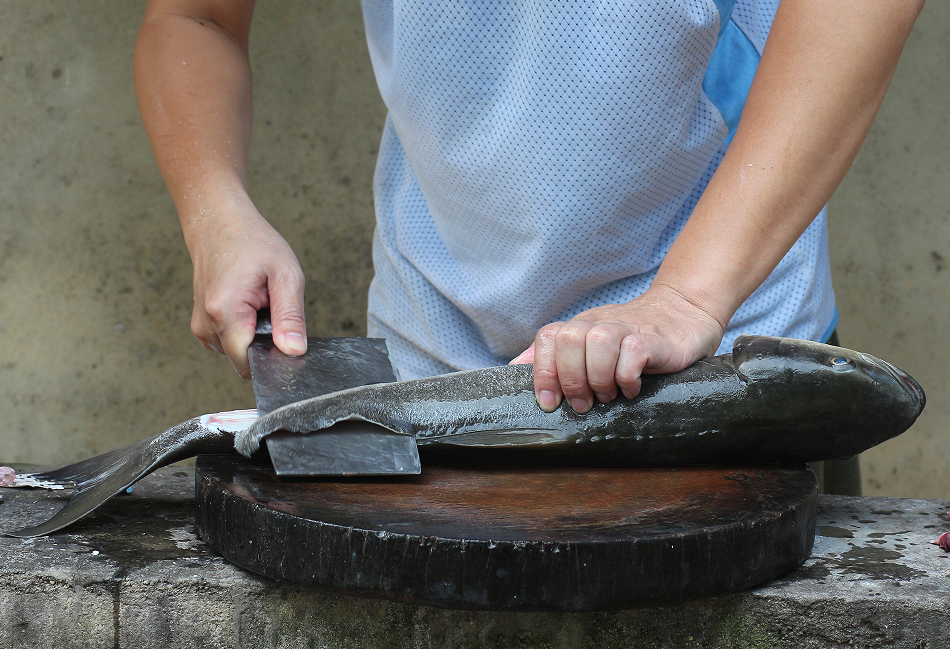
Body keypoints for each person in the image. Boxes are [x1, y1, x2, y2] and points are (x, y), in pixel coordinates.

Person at [134, 1, 921, 422]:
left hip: (720, 368)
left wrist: (685, 297)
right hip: (429, 372)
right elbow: (194, 17)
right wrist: (216, 209)